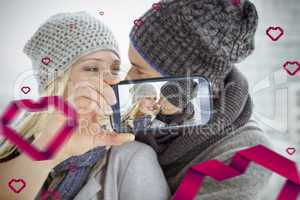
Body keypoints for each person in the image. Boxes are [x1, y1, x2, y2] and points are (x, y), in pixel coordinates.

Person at [0, 12, 170, 200]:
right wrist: (52, 150)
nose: (112, 79)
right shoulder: (8, 146)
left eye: (114, 69)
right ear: (54, 82)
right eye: (92, 68)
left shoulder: (132, 158)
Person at [125, 0, 272, 199]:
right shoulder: (133, 111)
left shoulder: (245, 158)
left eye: (140, 71)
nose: (126, 78)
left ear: (185, 84)